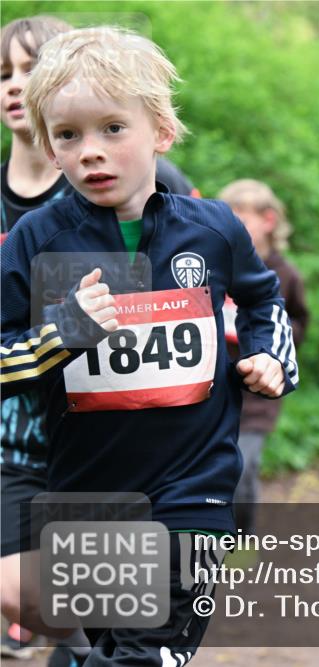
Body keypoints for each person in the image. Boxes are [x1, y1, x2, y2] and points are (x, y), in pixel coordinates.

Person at [1, 26, 297, 662]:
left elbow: (266, 301)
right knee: (103, 649)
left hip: (194, 488)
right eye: (69, 135)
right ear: (50, 147)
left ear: (161, 132)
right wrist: (63, 336)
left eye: (113, 128)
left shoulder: (214, 228)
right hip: (89, 493)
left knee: (145, 653)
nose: (91, 152)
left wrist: (269, 356)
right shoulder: (36, 241)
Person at [0, 17, 198, 665]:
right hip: (15, 439)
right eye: (4, 73)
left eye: (30, 70)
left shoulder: (134, 184)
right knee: (25, 593)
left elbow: (190, 302)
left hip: (113, 442)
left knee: (117, 618)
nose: (16, 86)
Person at [218, 179, 309, 536]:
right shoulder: (214, 266)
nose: (232, 222)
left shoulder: (285, 275)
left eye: (241, 215)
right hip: (214, 388)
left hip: (259, 393)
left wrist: (268, 333)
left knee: (242, 468)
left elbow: (300, 323)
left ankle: (242, 539)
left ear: (268, 219)